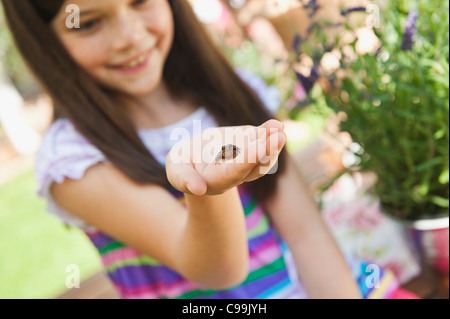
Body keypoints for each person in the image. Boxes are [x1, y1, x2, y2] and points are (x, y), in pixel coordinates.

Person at [1, 0, 414, 299]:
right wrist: (209, 190)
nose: (130, 37)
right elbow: (217, 271)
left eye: (141, 1)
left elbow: (306, 234)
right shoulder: (73, 162)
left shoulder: (233, 92)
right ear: (45, 40)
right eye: (88, 23)